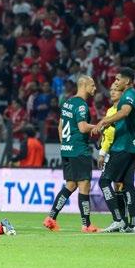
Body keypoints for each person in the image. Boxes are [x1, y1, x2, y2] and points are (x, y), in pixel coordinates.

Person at [43, 75, 99, 233]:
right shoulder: (81, 105)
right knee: (84, 185)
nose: (95, 88)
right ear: (84, 86)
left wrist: (65, 145)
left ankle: (51, 218)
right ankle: (86, 225)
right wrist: (99, 126)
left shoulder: (67, 103)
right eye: (92, 85)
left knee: (71, 185)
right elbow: (82, 127)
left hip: (67, 150)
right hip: (79, 150)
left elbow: (60, 128)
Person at [92, 68, 135, 233]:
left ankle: (118, 220)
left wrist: (104, 121)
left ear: (127, 81)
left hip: (122, 146)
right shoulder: (134, 95)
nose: (115, 82)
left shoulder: (129, 95)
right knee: (127, 185)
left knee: (104, 181)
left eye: (117, 80)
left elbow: (125, 112)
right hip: (130, 146)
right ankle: (133, 224)